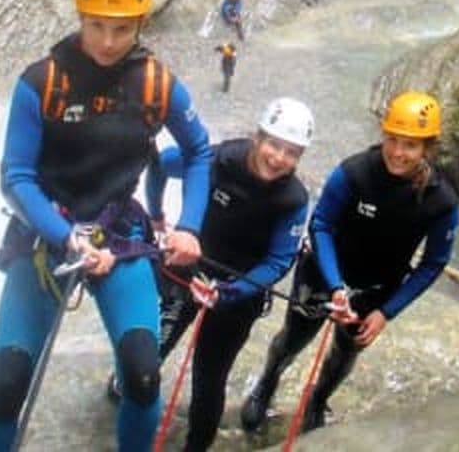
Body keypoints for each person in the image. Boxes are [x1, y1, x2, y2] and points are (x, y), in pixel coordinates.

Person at [0, 0, 212, 452]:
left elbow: (198, 151)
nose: (107, 41)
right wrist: (67, 237)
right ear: (80, 17)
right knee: (7, 384)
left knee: (144, 376)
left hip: (117, 235)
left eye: (122, 29)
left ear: (140, 23)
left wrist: (189, 225)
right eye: (97, 25)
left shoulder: (155, 84)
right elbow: (14, 177)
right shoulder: (43, 82)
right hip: (45, 235)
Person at [240, 91, 459, 434]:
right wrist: (335, 286)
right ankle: (266, 385)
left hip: (375, 290)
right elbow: (322, 224)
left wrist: (386, 313)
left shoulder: (440, 202)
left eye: (411, 145)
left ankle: (317, 400)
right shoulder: (355, 173)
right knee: (293, 338)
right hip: (322, 276)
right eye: (392, 140)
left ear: (427, 149)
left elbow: (433, 263)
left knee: (345, 351)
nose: (398, 153)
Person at [109, 97, 314, 452]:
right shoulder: (215, 161)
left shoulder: (292, 200)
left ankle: (197, 447)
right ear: (258, 137)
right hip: (186, 271)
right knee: (152, 349)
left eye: (292, 153)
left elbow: (279, 262)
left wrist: (228, 292)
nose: (279, 158)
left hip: (238, 292)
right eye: (274, 145)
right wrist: (156, 214)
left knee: (209, 377)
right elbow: (158, 164)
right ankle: (126, 388)